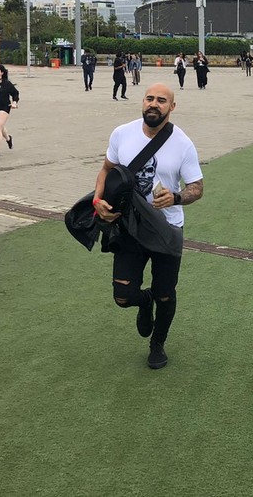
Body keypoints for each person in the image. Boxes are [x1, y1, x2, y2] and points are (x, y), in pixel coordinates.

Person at [93, 82, 204, 369]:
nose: (154, 104)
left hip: (166, 229)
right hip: (129, 226)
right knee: (122, 296)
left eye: (162, 100)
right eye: (149, 98)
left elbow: (197, 188)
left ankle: (157, 344)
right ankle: (144, 302)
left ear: (172, 107)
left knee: (166, 293)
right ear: (142, 101)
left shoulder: (183, 144)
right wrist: (97, 199)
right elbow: (107, 170)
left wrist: (176, 196)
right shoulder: (122, 134)